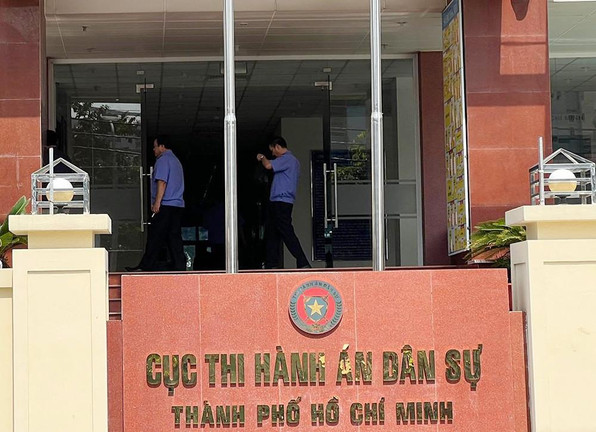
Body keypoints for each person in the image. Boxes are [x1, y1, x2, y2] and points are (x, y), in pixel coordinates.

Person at [127, 136, 185, 271]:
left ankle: (146, 265)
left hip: (165, 204)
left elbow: (162, 182)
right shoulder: (176, 161)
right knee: (174, 237)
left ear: (162, 146)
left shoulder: (163, 160)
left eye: (155, 146)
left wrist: (157, 203)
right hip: (177, 205)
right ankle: (179, 266)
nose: (154, 150)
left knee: (155, 236)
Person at [257, 136, 311, 269]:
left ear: (277, 147)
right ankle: (272, 264)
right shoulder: (292, 161)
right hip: (279, 201)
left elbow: (268, 165)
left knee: (286, 231)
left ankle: (302, 261)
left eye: (273, 150)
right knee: (273, 232)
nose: (273, 154)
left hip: (281, 202)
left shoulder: (287, 159)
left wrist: (262, 157)